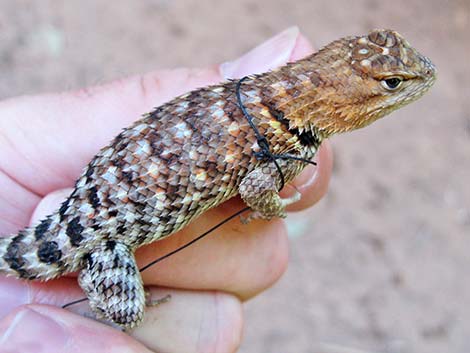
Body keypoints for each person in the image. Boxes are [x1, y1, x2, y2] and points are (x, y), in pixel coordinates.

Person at [0, 28, 332, 353]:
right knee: (128, 313)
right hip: (100, 230)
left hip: (101, 188)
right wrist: (272, 207)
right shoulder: (283, 126)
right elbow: (256, 188)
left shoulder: (265, 99)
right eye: (387, 85)